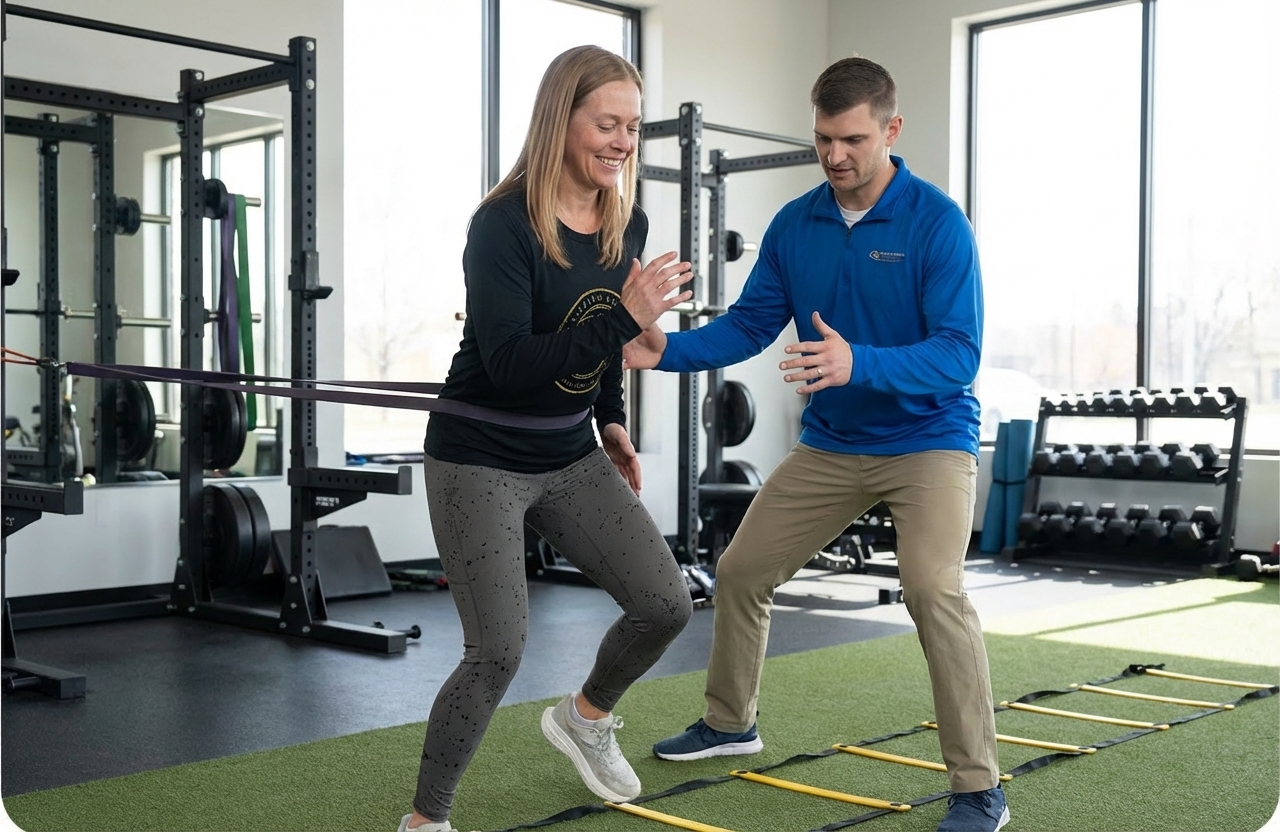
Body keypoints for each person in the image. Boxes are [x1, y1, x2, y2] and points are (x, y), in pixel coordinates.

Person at [625, 56, 1008, 832]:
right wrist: (666, 350)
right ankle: (732, 722)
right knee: (740, 571)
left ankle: (979, 788)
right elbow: (749, 324)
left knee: (933, 591)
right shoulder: (796, 224)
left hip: (928, 441)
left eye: (853, 140)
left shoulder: (937, 222)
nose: (836, 156)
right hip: (833, 445)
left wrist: (855, 360)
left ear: (891, 131)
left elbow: (959, 354)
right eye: (824, 139)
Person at [400, 45, 695, 832]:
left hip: (570, 452)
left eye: (633, 127)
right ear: (561, 118)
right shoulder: (502, 225)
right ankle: (426, 822)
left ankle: (586, 718)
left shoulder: (626, 217)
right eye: (608, 124)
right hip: (479, 455)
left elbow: (600, 337)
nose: (623, 141)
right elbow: (508, 364)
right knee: (496, 650)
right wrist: (625, 320)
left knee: (666, 603)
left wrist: (611, 419)